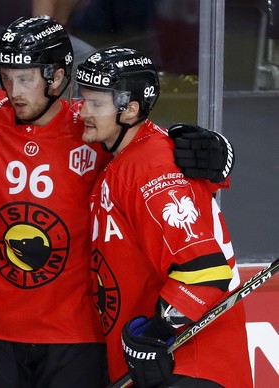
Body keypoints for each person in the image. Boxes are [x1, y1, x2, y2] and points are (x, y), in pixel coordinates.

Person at [0, 15, 236, 388]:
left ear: (56, 77)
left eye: (26, 78)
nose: (13, 90)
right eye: (6, 76)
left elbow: (154, 157)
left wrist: (216, 158)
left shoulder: (93, 131)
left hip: (75, 332)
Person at [72, 45, 251, 387]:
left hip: (190, 368)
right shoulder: (128, 156)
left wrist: (156, 333)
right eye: (84, 99)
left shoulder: (151, 167)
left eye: (96, 104)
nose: (82, 112)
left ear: (130, 110)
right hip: (161, 369)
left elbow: (205, 271)